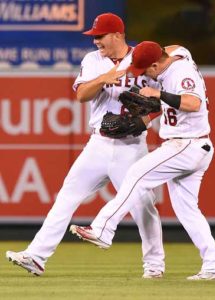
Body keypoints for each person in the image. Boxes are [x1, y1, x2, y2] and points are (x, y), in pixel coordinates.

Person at [6, 13, 165, 279]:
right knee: (67, 196)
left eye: (100, 36)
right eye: (94, 37)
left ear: (117, 34)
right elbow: (81, 95)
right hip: (99, 142)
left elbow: (163, 100)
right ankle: (36, 256)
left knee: (143, 205)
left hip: (131, 146)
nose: (96, 42)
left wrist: (145, 120)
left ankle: (154, 266)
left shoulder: (143, 56)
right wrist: (105, 78)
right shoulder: (93, 61)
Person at [70, 41, 215, 280]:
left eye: (146, 69)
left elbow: (192, 103)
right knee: (187, 211)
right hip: (193, 145)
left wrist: (159, 94)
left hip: (186, 144)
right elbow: (177, 47)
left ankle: (102, 229)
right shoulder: (174, 55)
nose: (144, 75)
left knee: (136, 174)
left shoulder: (180, 71)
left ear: (156, 63)